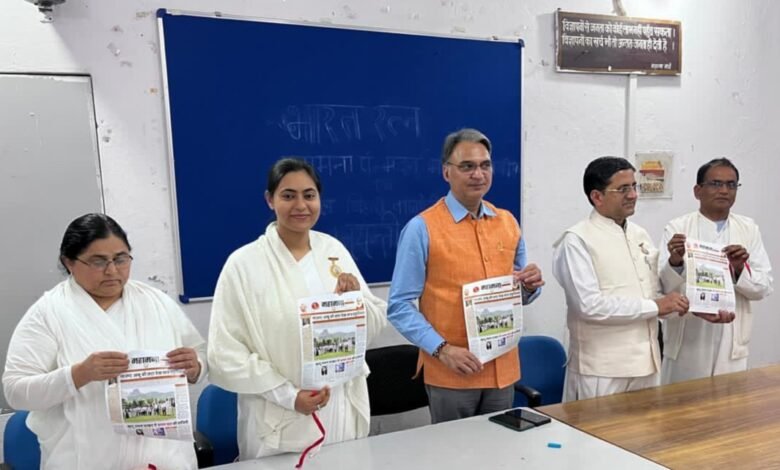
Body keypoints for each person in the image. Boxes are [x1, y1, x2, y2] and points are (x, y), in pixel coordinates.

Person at [207, 158, 387, 459]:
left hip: (337, 403)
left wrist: (355, 301)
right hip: (278, 411)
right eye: (288, 195)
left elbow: (375, 319)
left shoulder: (333, 250)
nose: (301, 205)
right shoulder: (243, 264)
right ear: (270, 200)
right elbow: (225, 352)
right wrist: (289, 396)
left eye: (309, 195)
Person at [3, 213, 206, 470]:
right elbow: (15, 391)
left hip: (165, 458)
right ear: (69, 262)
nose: (112, 271)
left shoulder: (157, 303)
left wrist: (196, 366)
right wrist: (79, 374)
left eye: (121, 259)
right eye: (98, 262)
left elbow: (200, 355)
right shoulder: (48, 314)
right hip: (83, 461)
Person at [387, 128, 544, 424]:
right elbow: (398, 306)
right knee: (454, 450)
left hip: (502, 368)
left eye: (485, 165)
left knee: (500, 446)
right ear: (447, 172)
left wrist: (530, 285)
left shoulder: (507, 222)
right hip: (452, 371)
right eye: (467, 166)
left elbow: (520, 293)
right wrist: (443, 350)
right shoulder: (421, 228)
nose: (478, 174)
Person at [552, 157, 689, 401]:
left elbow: (652, 292)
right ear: (597, 196)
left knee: (646, 426)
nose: (633, 195)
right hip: (602, 370)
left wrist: (674, 271)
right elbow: (589, 306)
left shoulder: (639, 234)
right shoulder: (577, 240)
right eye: (623, 189)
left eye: (634, 186)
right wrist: (656, 306)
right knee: (595, 427)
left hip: (647, 363)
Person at [659, 158, 773, 384]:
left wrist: (738, 270)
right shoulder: (678, 228)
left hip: (731, 339)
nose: (724, 190)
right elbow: (662, 287)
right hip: (687, 337)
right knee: (682, 402)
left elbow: (763, 287)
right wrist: (675, 261)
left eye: (731, 185)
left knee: (729, 403)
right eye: (716, 183)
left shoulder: (748, 229)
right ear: (697, 191)